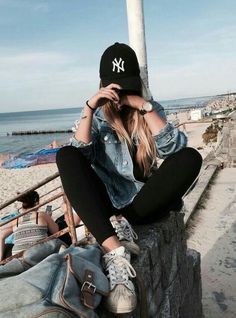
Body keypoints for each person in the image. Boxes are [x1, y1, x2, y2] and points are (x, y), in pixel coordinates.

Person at [56, 42, 202, 314]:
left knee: (191, 157)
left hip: (140, 206)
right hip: (108, 206)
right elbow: (79, 155)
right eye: (115, 87)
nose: (120, 95)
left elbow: (175, 148)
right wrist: (89, 108)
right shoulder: (99, 117)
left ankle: (125, 224)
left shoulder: (149, 109)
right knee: (65, 155)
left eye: (126, 87)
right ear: (103, 85)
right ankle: (115, 251)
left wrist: (143, 105)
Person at [0, 190, 59, 261]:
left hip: (18, 258)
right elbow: (56, 231)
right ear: (37, 203)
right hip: (38, 254)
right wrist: (49, 218)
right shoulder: (42, 215)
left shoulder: (16, 220)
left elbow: (1, 236)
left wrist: (1, 259)